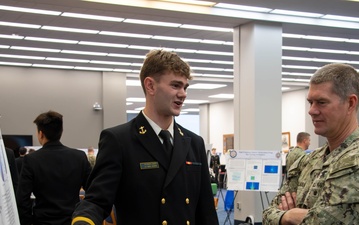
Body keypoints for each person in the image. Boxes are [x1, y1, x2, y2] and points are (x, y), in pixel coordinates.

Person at [72, 49, 219, 225]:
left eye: (185, 87)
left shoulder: (194, 143)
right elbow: (97, 200)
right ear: (150, 85)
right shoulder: (120, 140)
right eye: (175, 85)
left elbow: (206, 213)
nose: (183, 94)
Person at [263, 63, 359, 224]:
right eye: (310, 102)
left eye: (322, 102)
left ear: (350, 103)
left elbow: (323, 222)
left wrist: (289, 215)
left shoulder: (355, 160)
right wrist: (287, 217)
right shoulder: (308, 160)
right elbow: (267, 215)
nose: (312, 111)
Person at [16, 110, 92, 225]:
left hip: (42, 221)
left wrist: (28, 221)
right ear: (61, 132)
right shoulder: (79, 157)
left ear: (41, 134)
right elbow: (93, 190)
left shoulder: (31, 160)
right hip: (73, 220)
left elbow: (22, 199)